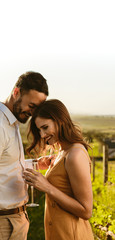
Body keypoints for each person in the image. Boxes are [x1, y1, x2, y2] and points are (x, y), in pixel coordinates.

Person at [0, 71, 49, 240]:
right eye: (31, 106)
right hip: (1, 225)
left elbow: (3, 166)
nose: (32, 113)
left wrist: (35, 164)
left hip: (15, 221)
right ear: (16, 92)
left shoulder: (11, 122)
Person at [23, 99, 94, 240]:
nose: (42, 135)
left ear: (60, 121)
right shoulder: (63, 151)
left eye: (45, 127)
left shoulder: (75, 155)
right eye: (39, 130)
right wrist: (37, 164)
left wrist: (47, 187)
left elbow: (86, 211)